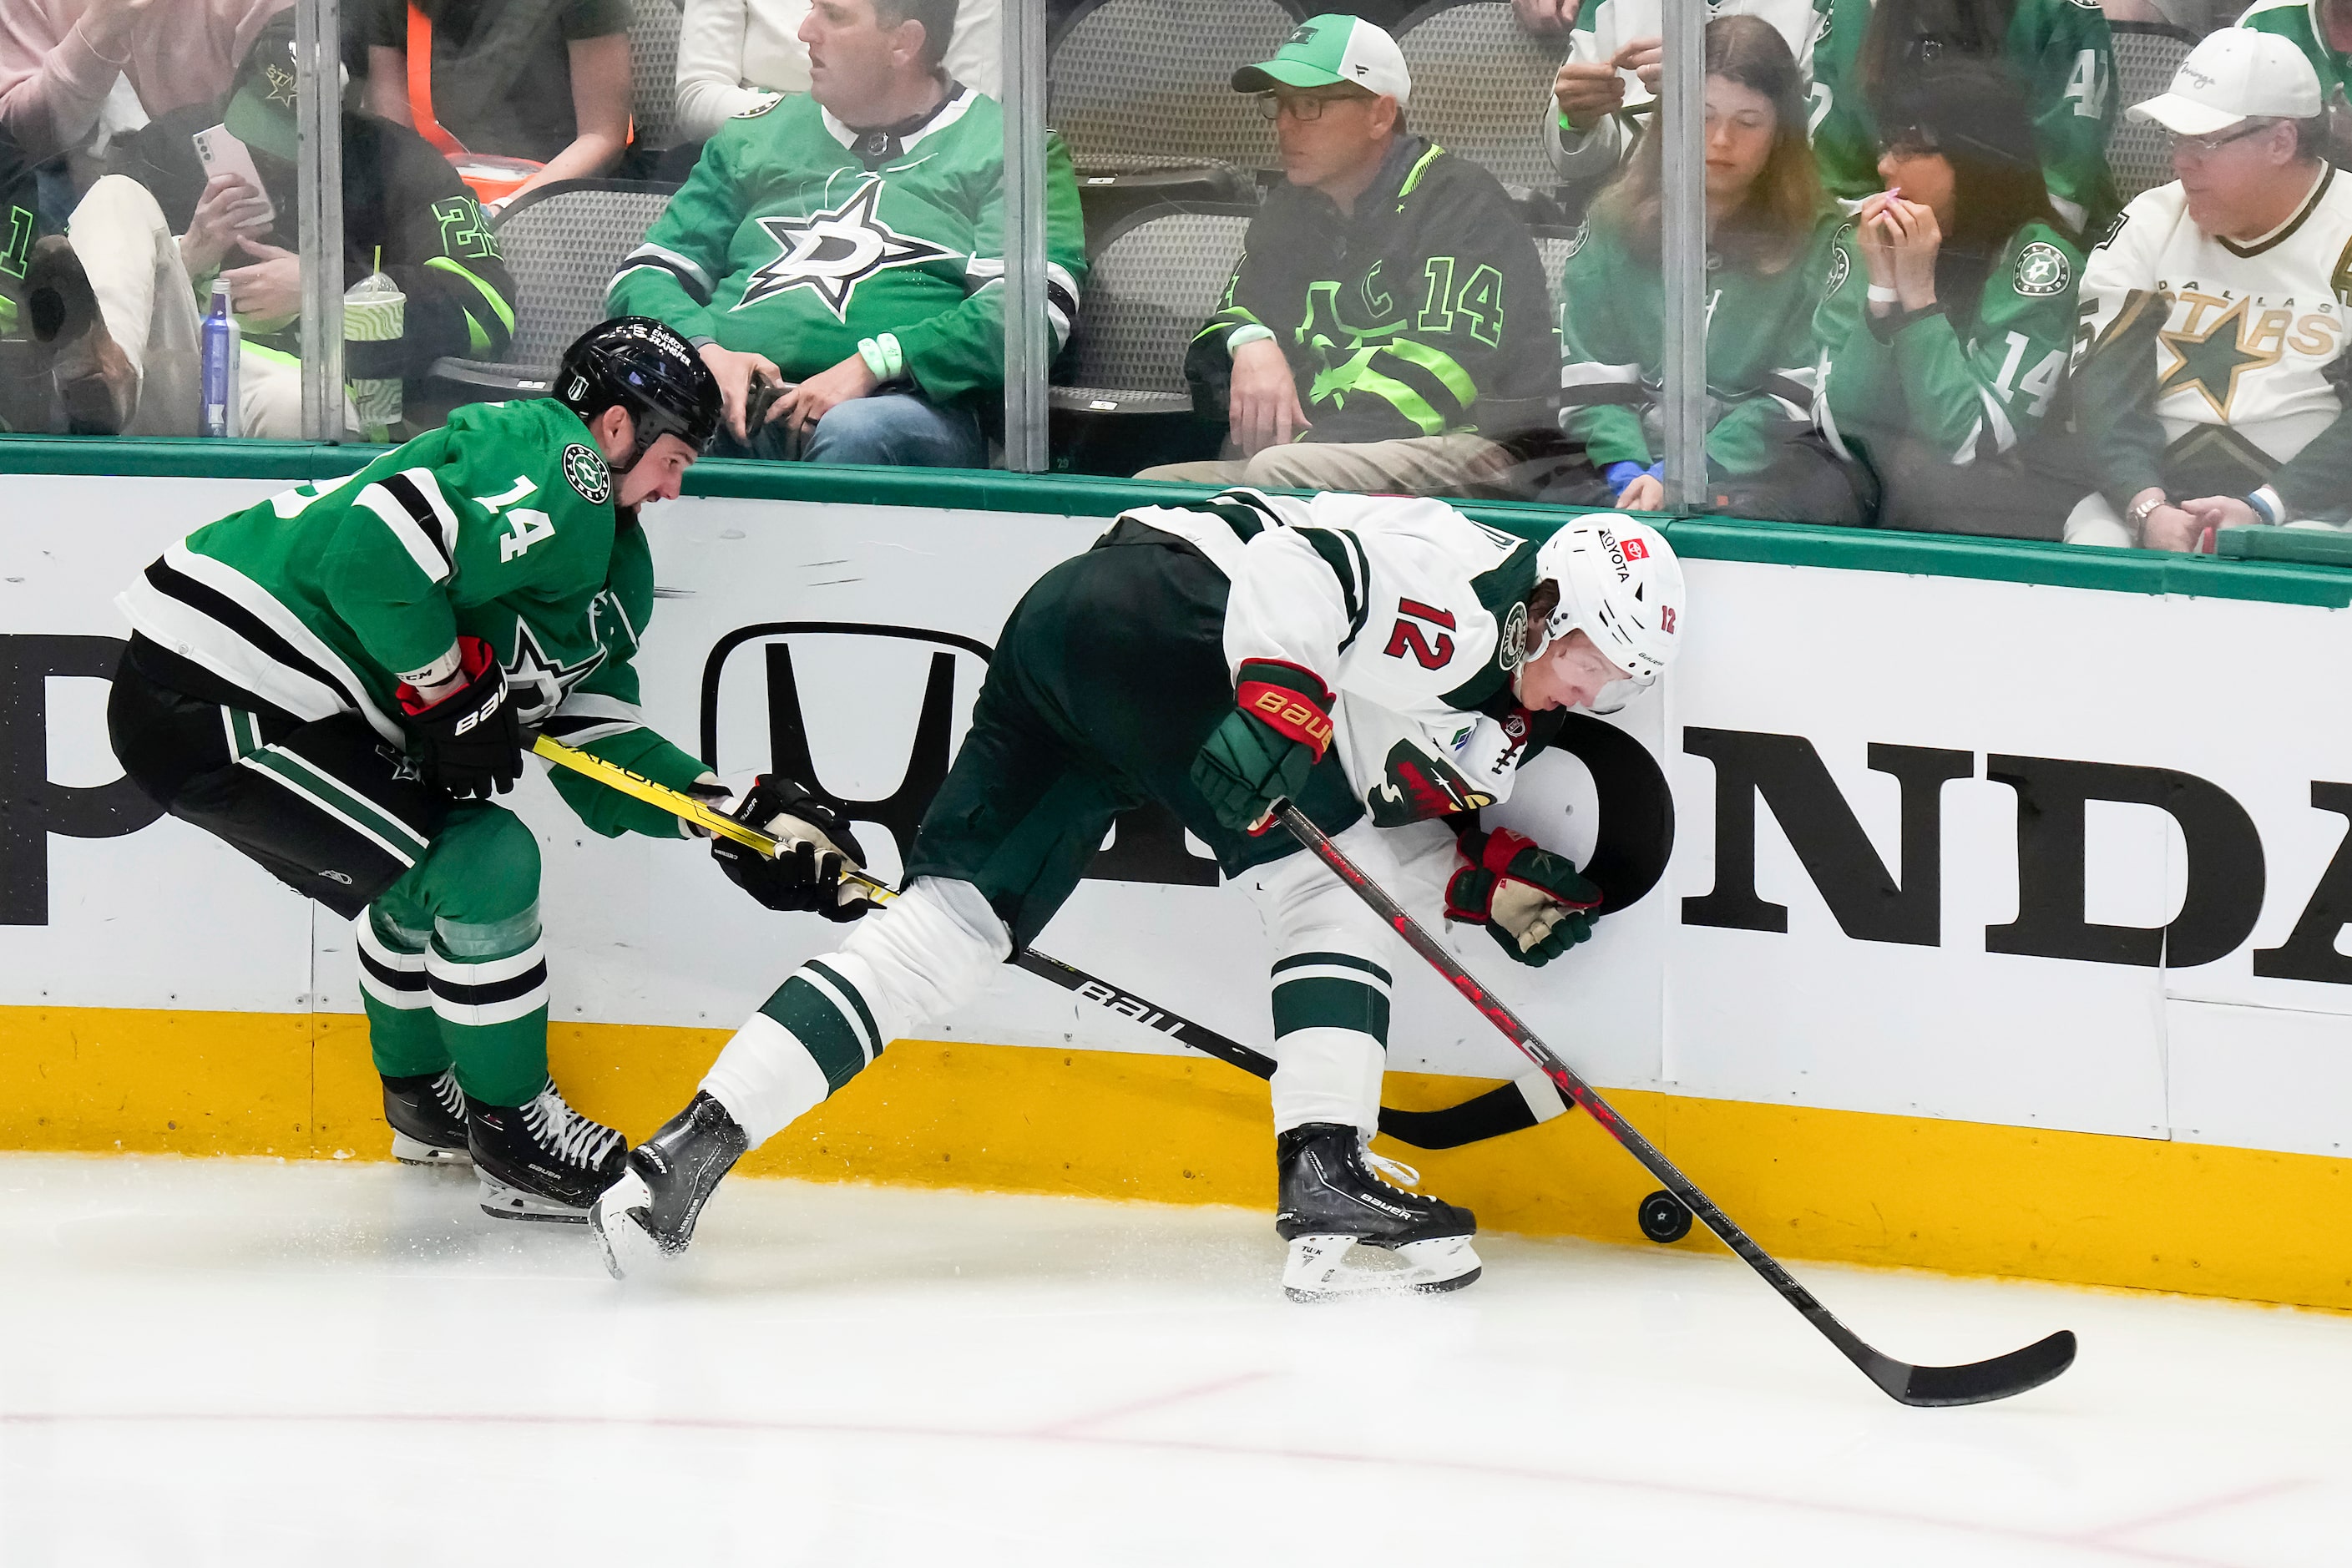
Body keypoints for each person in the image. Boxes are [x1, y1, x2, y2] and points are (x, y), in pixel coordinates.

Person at [590, 488, 1685, 1297]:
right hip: (1178, 615)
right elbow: (1304, 571)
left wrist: (1498, 890)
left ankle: (687, 1150)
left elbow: (1376, 802)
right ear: (1549, 604)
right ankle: (1325, 1164)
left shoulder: (1499, 713)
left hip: (1072, 632)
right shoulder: (1466, 596)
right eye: (1598, 654)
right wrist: (1282, 706)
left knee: (949, 927)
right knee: (1325, 892)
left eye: (1625, 677)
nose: (1601, 687)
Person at [102, 318, 837, 1222]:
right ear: (613, 430)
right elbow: (371, 551)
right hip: (220, 690)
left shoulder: (607, 563)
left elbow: (593, 741)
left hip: (225, 698)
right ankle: (515, 1136)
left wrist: (722, 811)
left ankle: (422, 1099)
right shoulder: (556, 462)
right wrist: (447, 688)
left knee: (431, 862)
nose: (674, 489)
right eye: (673, 459)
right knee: (482, 859)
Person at [608, 0, 1085, 468]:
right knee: (651, 417)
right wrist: (703, 351)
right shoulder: (753, 136)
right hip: (735, 399)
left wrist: (875, 365)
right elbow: (644, 276)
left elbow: (1031, 311)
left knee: (853, 432)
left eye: (833, 15)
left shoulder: (1011, 148)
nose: (805, 31)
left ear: (905, 42)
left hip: (907, 408)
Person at [30, 11, 518, 437]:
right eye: (262, 119)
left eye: (298, 136)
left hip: (308, 394)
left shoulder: (402, 166)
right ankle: (106, 371)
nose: (271, 152)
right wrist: (189, 254)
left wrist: (327, 292)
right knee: (115, 197)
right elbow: (86, 261)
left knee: (295, 407)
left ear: (351, 116)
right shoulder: (168, 146)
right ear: (242, 80)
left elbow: (488, 305)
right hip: (171, 371)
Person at [1135, 16, 1557, 499]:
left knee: (1278, 474)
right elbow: (1225, 325)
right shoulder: (1294, 206)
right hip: (1313, 454)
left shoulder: (1460, 200)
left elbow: (1446, 371)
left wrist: (1312, 442)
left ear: (1380, 115)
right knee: (1156, 491)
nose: (1286, 125)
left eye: (1309, 105)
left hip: (1472, 450)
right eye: (1279, 104)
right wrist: (1250, 341)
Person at [1556, 16, 1868, 524]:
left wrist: (1683, 473)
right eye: (1702, 117)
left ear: (1782, 134)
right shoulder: (1611, 221)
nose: (1721, 141)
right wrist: (1628, 471)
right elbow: (1594, 378)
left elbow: (1794, 400)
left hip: (1756, 471)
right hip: (1626, 461)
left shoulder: (1826, 239)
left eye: (1748, 123)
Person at [2066, 29, 2352, 548]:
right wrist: (2146, 507)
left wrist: (2265, 508)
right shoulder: (2149, 221)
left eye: (2204, 141)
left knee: (2311, 560)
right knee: (2095, 544)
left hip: (2315, 509)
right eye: (2175, 138)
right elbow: (2102, 394)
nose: (2181, 160)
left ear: (2280, 142)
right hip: (2148, 501)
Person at [1813, 60, 2086, 536]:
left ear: (1975, 159)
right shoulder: (1867, 242)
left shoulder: (2040, 263)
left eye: (1907, 149)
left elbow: (1973, 440)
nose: (1884, 167)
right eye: (1885, 145)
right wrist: (1882, 293)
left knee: (1918, 480)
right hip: (1891, 484)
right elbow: (1838, 433)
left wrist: (1919, 298)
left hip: (2009, 506)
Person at [1810, 0, 2119, 237]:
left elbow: (2065, 185)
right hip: (1892, 248)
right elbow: (1842, 180)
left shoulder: (2057, 9)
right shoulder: (1851, 12)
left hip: (2029, 252)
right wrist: (1891, 240)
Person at [362, 0, 632, 210]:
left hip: (561, 204)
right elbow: (395, 146)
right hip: (441, 200)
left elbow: (602, 135)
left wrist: (504, 209)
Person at [1543, 0, 1826, 193]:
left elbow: (1823, 149)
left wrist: (1704, 86)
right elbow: (1576, 165)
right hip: (1635, 215)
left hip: (1771, 228)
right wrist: (1577, 120)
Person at [0, 0, 287, 164]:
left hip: (230, 186)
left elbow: (284, 138)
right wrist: (98, 29)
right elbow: (18, 143)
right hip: (73, 200)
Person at [675, 0, 1002, 140]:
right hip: (754, 160)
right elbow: (698, 98)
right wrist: (832, 121)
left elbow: (969, 118)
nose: (805, 34)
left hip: (914, 170)